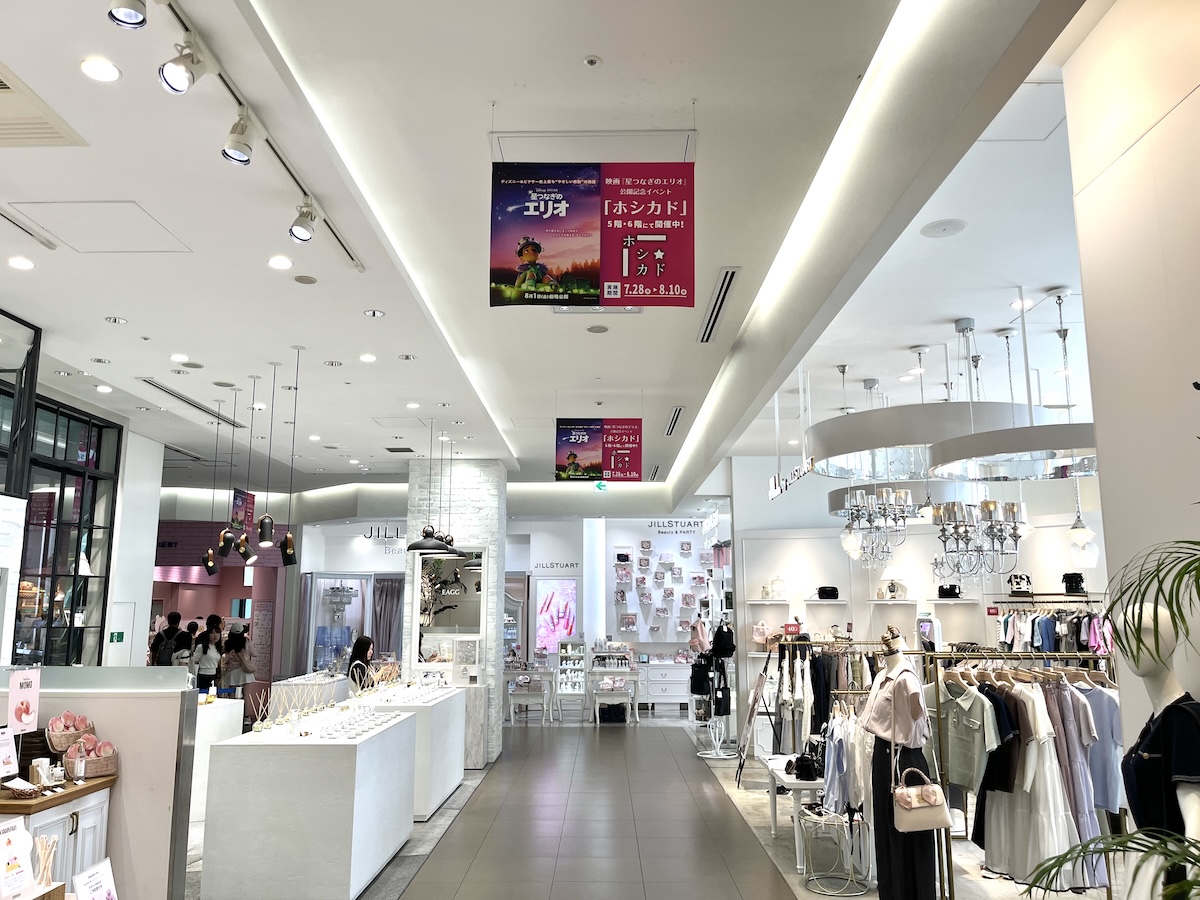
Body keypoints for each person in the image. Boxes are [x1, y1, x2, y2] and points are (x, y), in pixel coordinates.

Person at [220, 624, 256, 698]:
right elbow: (254, 653)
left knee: (232, 694)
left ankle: (233, 706)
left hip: (232, 670)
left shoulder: (228, 643)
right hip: (245, 669)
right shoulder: (246, 641)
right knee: (246, 695)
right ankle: (245, 706)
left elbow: (222, 653)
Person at [191, 629, 220, 693]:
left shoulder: (217, 647)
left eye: (217, 633)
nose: (215, 635)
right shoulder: (201, 647)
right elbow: (194, 660)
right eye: (212, 633)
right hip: (203, 674)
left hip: (214, 674)